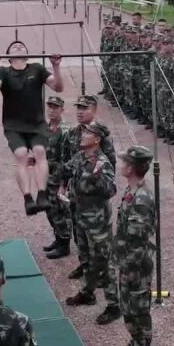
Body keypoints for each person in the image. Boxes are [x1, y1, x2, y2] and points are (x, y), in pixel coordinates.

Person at [0, 42, 65, 215]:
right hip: (13, 125)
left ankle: (42, 195)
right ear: (8, 55)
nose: (18, 46)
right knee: (21, 154)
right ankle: (28, 198)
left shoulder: (36, 69)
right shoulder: (4, 72)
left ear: (27, 53)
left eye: (21, 46)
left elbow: (58, 87)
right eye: (14, 47)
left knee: (39, 151)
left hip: (36, 125)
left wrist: (56, 66)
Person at [62, 122, 119, 324]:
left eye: (87, 133)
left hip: (97, 220)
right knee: (85, 257)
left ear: (96, 139)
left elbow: (110, 191)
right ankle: (88, 292)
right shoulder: (80, 157)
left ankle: (114, 305)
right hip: (80, 215)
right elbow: (65, 170)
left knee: (104, 260)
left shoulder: (102, 162)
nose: (82, 135)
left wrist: (97, 178)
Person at [113, 146, 157, 346]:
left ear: (131, 168)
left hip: (136, 264)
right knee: (128, 305)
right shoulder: (133, 191)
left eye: (125, 162)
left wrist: (130, 268)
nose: (121, 165)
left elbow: (138, 240)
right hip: (128, 261)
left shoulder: (141, 199)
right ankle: (135, 341)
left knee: (138, 307)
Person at [42, 96, 73, 257]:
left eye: (56, 107)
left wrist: (64, 183)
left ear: (62, 109)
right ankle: (58, 238)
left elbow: (67, 159)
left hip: (58, 178)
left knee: (61, 211)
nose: (52, 110)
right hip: (46, 177)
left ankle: (64, 244)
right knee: (50, 210)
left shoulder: (66, 131)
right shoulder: (45, 128)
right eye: (50, 107)